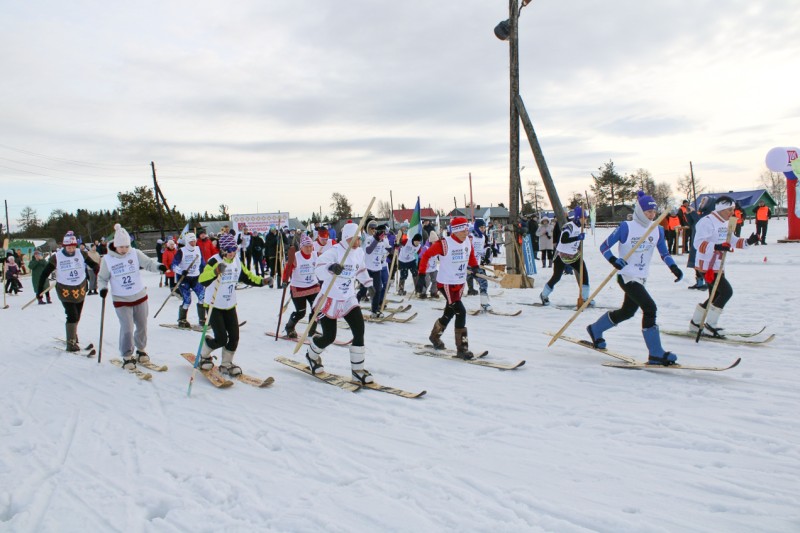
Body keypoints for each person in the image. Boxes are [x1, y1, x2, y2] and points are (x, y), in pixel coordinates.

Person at [586, 191, 684, 365]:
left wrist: (674, 268)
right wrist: (614, 260)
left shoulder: (657, 230)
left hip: (641, 277)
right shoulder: (626, 227)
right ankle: (655, 353)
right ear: (640, 211)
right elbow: (604, 246)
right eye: (648, 212)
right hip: (627, 276)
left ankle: (595, 329)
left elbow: (664, 253)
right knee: (650, 308)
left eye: (654, 212)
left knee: (627, 312)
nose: (651, 215)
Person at [306, 222, 375, 384]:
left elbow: (361, 269)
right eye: (357, 239)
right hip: (330, 298)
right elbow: (318, 269)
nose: (360, 242)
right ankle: (311, 355)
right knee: (330, 336)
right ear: (349, 238)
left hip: (348, 298)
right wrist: (331, 267)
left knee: (359, 330)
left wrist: (369, 285)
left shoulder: (358, 253)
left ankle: (357, 371)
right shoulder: (335, 252)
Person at [196, 233, 272, 377]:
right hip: (214, 305)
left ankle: (226, 364)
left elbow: (247, 276)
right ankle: (204, 354)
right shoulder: (214, 261)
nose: (232, 252)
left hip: (229, 305)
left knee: (234, 337)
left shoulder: (237, 260)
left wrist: (262, 281)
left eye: (234, 249)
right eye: (229, 249)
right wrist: (215, 271)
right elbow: (202, 279)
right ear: (223, 250)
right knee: (221, 338)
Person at [97, 224, 166, 370]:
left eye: (126, 246)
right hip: (121, 299)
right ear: (115, 245)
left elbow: (148, 263)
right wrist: (103, 289)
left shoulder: (134, 253)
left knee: (142, 326)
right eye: (121, 247)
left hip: (139, 295)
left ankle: (141, 350)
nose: (124, 250)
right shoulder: (108, 259)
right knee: (127, 328)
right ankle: (127, 356)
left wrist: (159, 266)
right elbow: (102, 278)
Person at [689, 195, 760, 337]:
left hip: (718, 264)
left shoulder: (726, 222)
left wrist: (749, 241)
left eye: (733, 209)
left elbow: (732, 240)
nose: (732, 213)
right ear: (721, 209)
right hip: (706, 265)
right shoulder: (707, 222)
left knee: (715, 295)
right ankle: (710, 324)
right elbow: (698, 244)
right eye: (729, 210)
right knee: (726, 292)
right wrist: (717, 246)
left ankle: (696, 323)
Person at [416, 217, 480, 359]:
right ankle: (462, 349)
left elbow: (470, 255)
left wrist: (475, 266)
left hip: (460, 281)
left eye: (467, 229)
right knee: (460, 311)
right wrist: (421, 274)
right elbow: (426, 255)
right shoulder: (444, 244)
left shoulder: (468, 241)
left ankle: (435, 336)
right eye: (463, 230)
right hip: (446, 284)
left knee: (449, 312)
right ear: (456, 231)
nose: (466, 232)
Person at [36, 231, 100, 351]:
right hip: (65, 290)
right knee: (72, 315)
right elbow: (44, 273)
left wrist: (97, 270)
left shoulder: (81, 254)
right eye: (68, 247)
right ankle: (71, 343)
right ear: (64, 246)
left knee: (77, 315)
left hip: (80, 288)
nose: (71, 249)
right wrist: (39, 290)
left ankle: (73, 333)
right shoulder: (57, 257)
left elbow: (93, 264)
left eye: (73, 247)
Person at [539, 207, 590, 306]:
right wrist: (577, 237)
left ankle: (585, 298)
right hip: (561, 255)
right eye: (584, 218)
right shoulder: (569, 226)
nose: (585, 220)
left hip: (574, 254)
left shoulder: (581, 228)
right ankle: (544, 295)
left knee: (584, 273)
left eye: (586, 218)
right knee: (557, 276)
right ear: (578, 218)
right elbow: (564, 239)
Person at [281, 234, 320, 338]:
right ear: (301, 247)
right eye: (306, 246)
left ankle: (312, 331)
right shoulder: (295, 257)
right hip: (298, 288)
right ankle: (289, 328)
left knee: (316, 309)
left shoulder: (316, 255)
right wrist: (285, 280)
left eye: (310, 246)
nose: (308, 248)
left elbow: (325, 264)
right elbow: (287, 269)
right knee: (301, 312)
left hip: (313, 286)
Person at [171, 232, 206, 328]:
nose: (193, 243)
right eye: (191, 241)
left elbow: (203, 263)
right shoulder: (181, 251)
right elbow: (173, 265)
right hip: (184, 280)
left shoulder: (198, 249)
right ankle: (182, 320)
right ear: (187, 242)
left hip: (196, 278)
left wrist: (207, 272)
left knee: (202, 297)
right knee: (187, 300)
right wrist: (181, 271)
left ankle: (202, 319)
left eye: (194, 241)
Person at [359, 221, 392, 318]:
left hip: (377, 269)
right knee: (363, 290)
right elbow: (369, 251)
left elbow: (388, 249)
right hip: (368, 269)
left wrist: (395, 247)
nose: (373, 230)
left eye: (375, 229)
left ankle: (374, 310)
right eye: (372, 229)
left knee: (378, 289)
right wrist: (376, 239)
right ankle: (354, 304)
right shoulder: (369, 239)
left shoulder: (383, 240)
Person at [685, 197, 713, 290]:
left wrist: (693, 213)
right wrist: (688, 214)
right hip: (695, 242)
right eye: (701, 201)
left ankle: (707, 282)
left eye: (703, 202)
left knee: (703, 264)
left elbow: (699, 222)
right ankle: (699, 282)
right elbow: (692, 223)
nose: (701, 203)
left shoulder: (709, 216)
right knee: (696, 264)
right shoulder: (702, 214)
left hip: (703, 244)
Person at [466, 218, 492, 311]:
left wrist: (486, 255)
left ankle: (484, 303)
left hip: (476, 263)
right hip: (468, 264)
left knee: (483, 282)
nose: (483, 229)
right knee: (458, 283)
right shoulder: (470, 236)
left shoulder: (483, 237)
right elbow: (467, 250)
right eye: (481, 227)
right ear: (477, 227)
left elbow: (480, 250)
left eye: (484, 227)